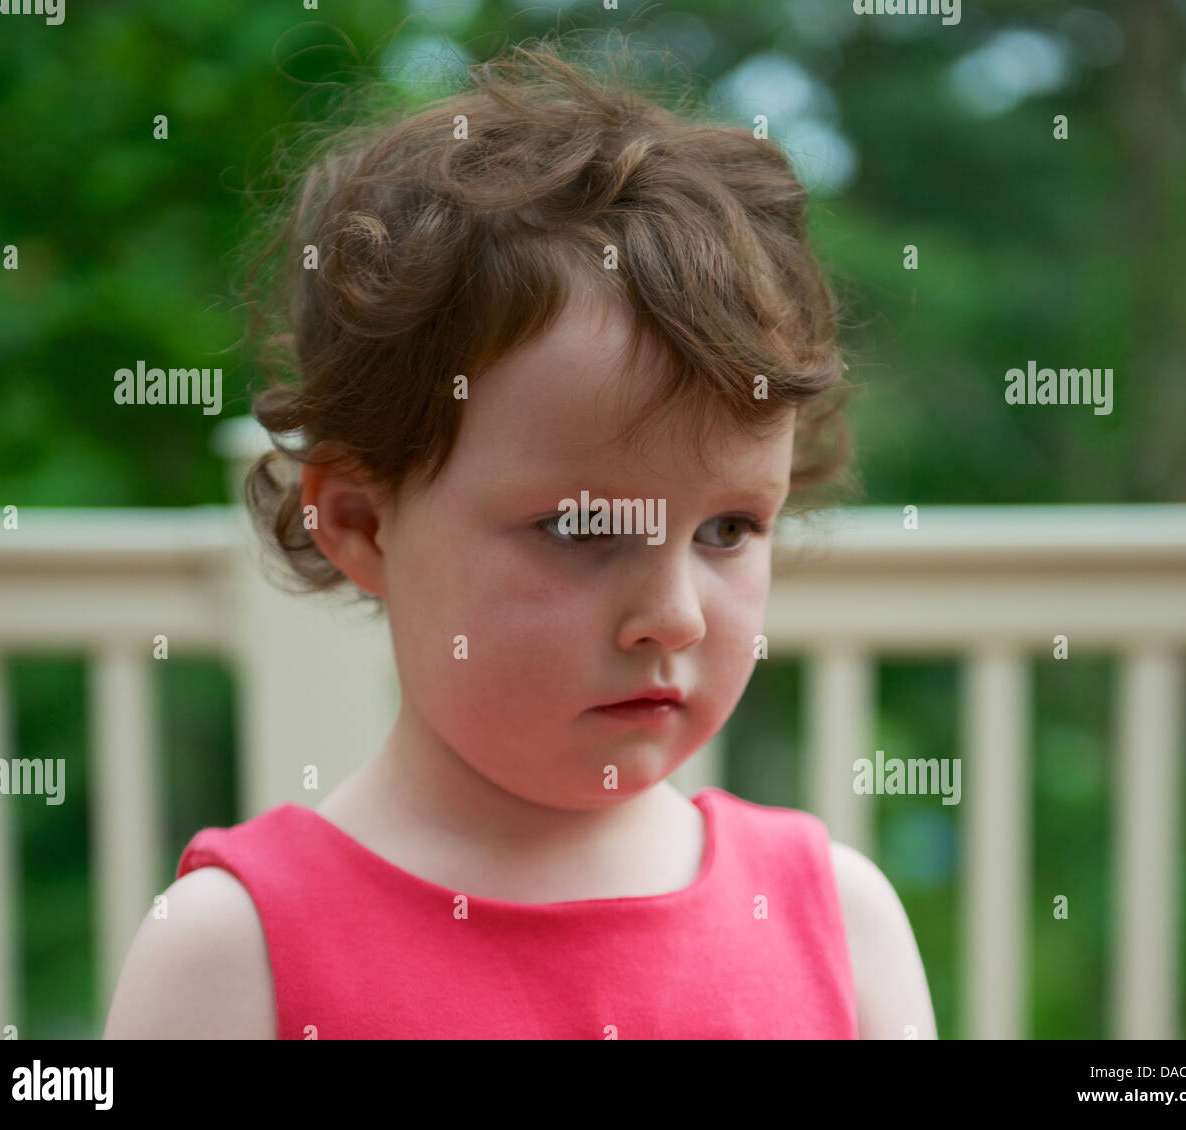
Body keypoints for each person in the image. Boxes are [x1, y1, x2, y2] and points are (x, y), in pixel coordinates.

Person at [104, 34, 936, 1040]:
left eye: (725, 527)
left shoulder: (837, 924)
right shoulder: (237, 951)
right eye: (583, 527)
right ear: (362, 520)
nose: (668, 614)